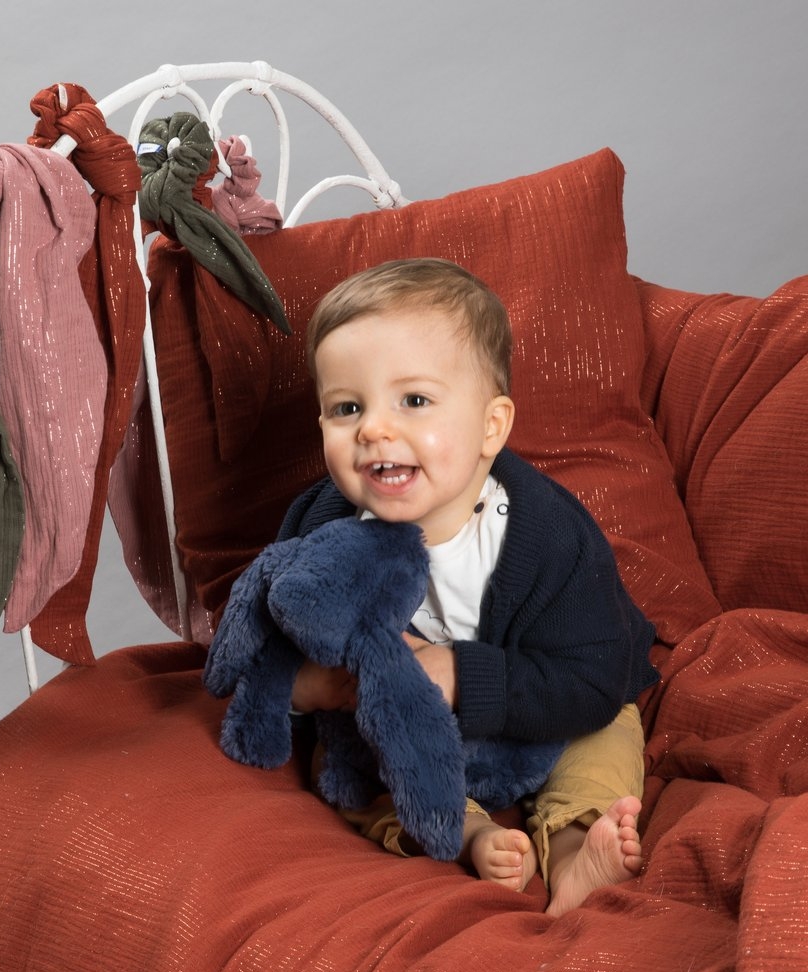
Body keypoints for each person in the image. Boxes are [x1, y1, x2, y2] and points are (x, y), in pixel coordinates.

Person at [280, 257, 659, 917]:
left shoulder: (550, 536)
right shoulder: (320, 532)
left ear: (491, 426)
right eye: (347, 407)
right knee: (349, 767)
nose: (373, 429)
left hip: (554, 705)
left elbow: (593, 678)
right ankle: (467, 831)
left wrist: (460, 674)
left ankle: (575, 846)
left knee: (606, 734)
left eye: (413, 401)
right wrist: (304, 686)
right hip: (414, 737)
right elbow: (266, 636)